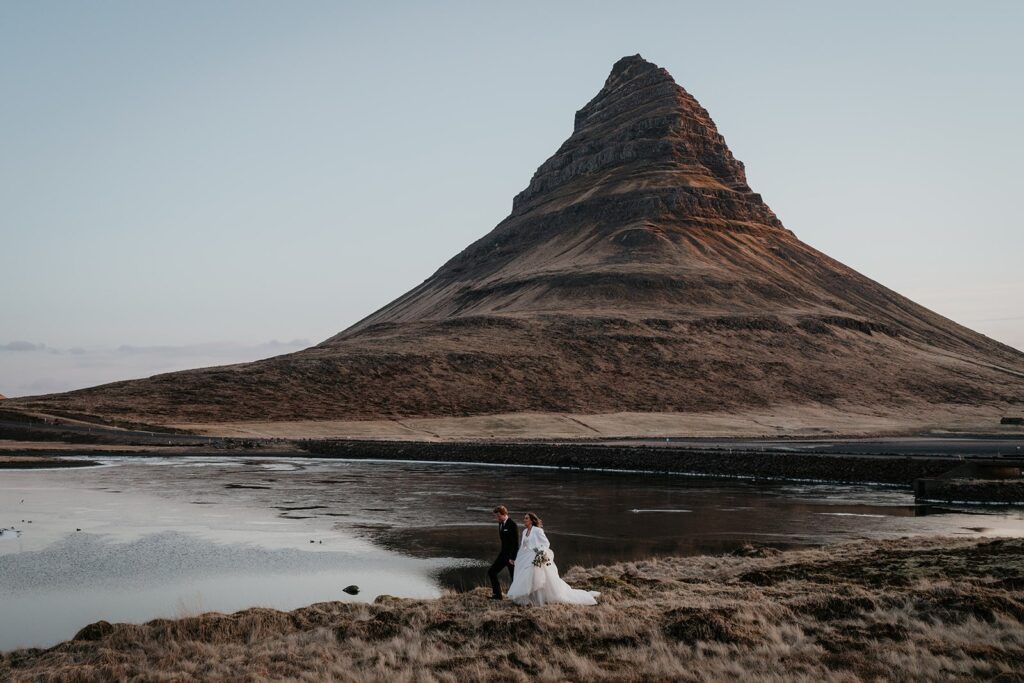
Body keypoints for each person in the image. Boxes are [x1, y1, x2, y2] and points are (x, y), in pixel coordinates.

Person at [506, 512, 600, 606]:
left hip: (538, 556)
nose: (524, 520)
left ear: (531, 520)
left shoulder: (538, 531)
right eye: (524, 518)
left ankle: (540, 599)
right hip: (527, 557)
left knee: (539, 578)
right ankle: (529, 598)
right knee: (527, 577)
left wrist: (539, 552)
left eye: (526, 518)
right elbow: (523, 547)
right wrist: (517, 558)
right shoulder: (524, 531)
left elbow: (546, 543)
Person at [488, 505, 519, 600]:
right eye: (496, 516)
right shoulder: (500, 524)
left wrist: (513, 558)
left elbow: (515, 544)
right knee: (491, 572)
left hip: (511, 558)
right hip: (503, 555)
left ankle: (518, 597)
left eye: (498, 516)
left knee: (515, 578)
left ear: (505, 514)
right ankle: (497, 595)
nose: (497, 518)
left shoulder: (513, 525)